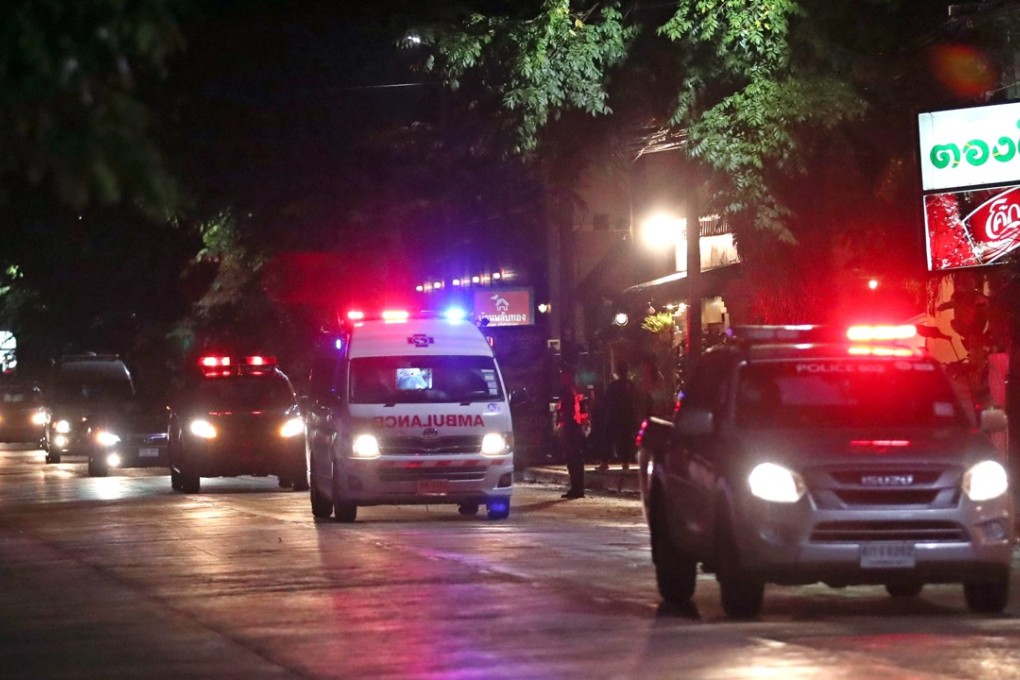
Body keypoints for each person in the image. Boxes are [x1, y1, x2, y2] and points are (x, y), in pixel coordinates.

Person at [599, 360, 640, 471]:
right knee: (625, 438)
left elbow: (607, 399)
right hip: (627, 414)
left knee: (608, 437)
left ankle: (605, 462)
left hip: (615, 414)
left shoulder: (615, 385)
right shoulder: (631, 385)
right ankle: (625, 462)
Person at [556, 365, 585, 499]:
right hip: (576, 428)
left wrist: (563, 429)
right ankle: (578, 488)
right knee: (576, 459)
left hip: (571, 429)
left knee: (573, 459)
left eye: (564, 375)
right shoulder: (576, 390)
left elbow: (566, 413)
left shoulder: (568, 392)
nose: (561, 378)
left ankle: (576, 488)